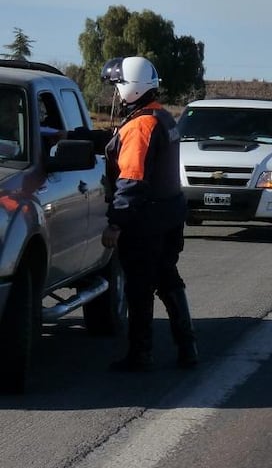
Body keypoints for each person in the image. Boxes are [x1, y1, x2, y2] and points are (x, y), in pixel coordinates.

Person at [100, 56, 198, 371]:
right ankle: (187, 347)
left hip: (146, 222)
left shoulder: (141, 126)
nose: (115, 93)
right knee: (168, 278)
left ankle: (140, 354)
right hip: (169, 214)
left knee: (139, 288)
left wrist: (116, 224)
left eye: (117, 85)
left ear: (131, 87)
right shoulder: (162, 117)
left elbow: (131, 181)